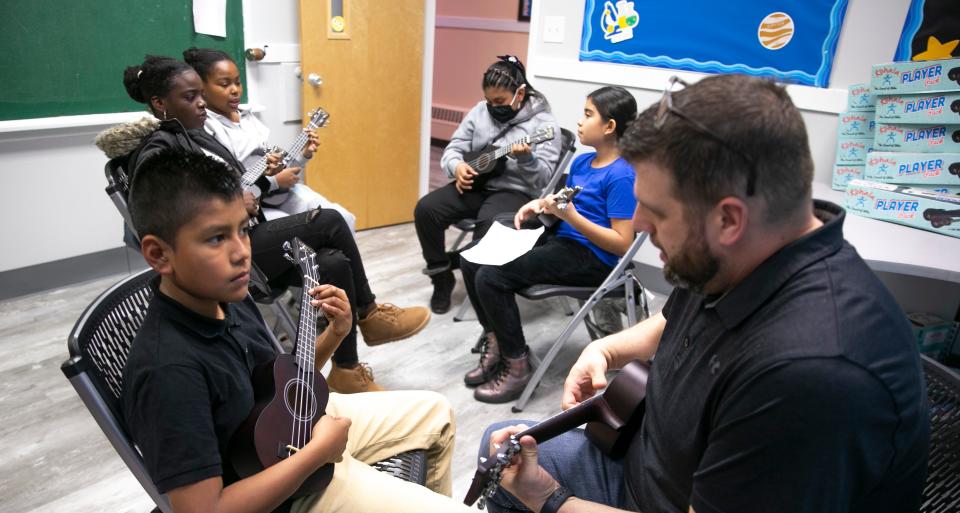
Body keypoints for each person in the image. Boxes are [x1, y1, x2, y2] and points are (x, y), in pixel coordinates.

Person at [469, 75, 930, 513]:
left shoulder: (816, 370)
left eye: (654, 210)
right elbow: (677, 319)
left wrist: (554, 503)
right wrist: (609, 350)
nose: (638, 223)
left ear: (729, 218)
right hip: (666, 489)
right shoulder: (747, 253)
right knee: (503, 456)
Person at [121, 149, 489, 513]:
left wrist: (337, 334)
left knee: (435, 413)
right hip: (277, 497)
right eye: (215, 238)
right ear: (158, 254)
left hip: (293, 439)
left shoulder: (229, 294)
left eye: (243, 230)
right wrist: (316, 455)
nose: (241, 252)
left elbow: (283, 387)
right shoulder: (169, 371)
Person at [99, 55, 429, 393]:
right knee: (329, 221)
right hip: (232, 252)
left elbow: (236, 186)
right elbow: (174, 217)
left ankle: (346, 370)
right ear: (159, 103)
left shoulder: (193, 136)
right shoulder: (158, 152)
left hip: (247, 235)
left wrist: (252, 190)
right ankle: (369, 314)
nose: (201, 104)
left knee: (333, 261)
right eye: (190, 97)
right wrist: (235, 203)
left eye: (200, 94)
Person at [459, 86, 637, 404]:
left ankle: (517, 365)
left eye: (587, 115)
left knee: (492, 276)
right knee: (472, 258)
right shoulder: (583, 163)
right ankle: (497, 339)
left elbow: (622, 245)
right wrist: (540, 204)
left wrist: (570, 216)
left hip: (593, 258)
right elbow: (563, 201)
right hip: (561, 240)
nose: (579, 122)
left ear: (610, 127)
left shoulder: (622, 176)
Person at [413, 55, 562, 314]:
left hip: (515, 192)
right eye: (490, 101)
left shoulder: (544, 125)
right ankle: (441, 276)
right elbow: (455, 148)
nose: (494, 107)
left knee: (489, 223)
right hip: (477, 185)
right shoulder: (480, 111)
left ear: (520, 92)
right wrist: (456, 166)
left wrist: (527, 159)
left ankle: (484, 294)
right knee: (426, 209)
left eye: (500, 102)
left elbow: (543, 180)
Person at [182, 47, 358, 235]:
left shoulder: (248, 118)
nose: (235, 90)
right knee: (301, 237)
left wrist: (303, 155)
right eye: (224, 84)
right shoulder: (205, 127)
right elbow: (231, 183)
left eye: (237, 82)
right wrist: (273, 182)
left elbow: (278, 166)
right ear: (202, 89)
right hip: (253, 204)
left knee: (341, 217)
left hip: (280, 194)